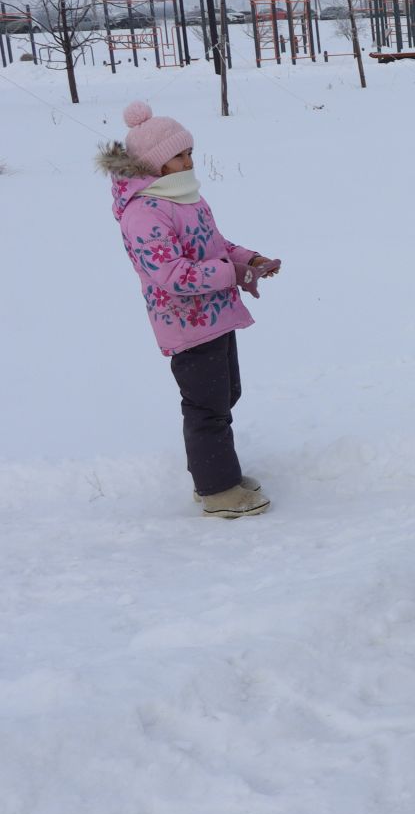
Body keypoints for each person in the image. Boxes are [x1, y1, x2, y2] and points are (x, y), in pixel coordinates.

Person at [98, 101, 280, 517]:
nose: (188, 161)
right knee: (207, 406)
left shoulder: (185, 198)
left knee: (225, 395)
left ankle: (211, 472)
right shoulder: (144, 212)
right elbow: (172, 275)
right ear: (155, 164)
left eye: (189, 152)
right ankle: (217, 490)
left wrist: (250, 260)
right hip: (186, 324)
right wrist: (230, 273)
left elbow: (216, 245)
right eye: (178, 155)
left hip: (216, 316)